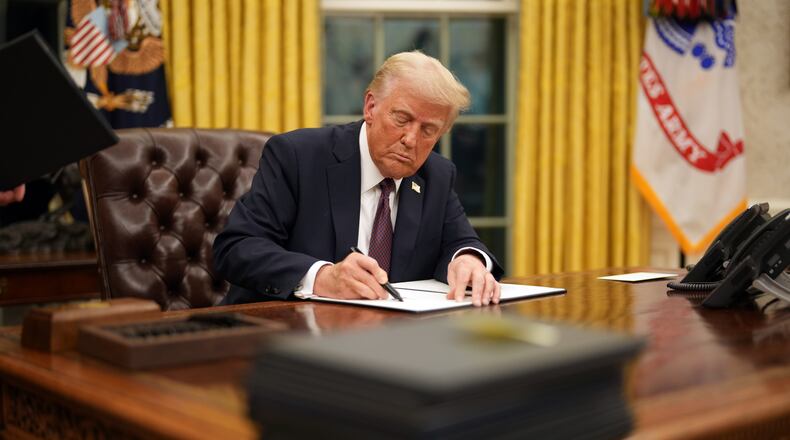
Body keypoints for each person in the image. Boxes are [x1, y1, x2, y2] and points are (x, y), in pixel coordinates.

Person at [213, 51, 503, 307]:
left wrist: (468, 260)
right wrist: (322, 277)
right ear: (370, 107)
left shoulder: (436, 174)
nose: (411, 139)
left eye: (428, 130)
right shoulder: (298, 156)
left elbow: (462, 241)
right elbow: (237, 247)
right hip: (282, 331)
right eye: (402, 119)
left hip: (386, 337)